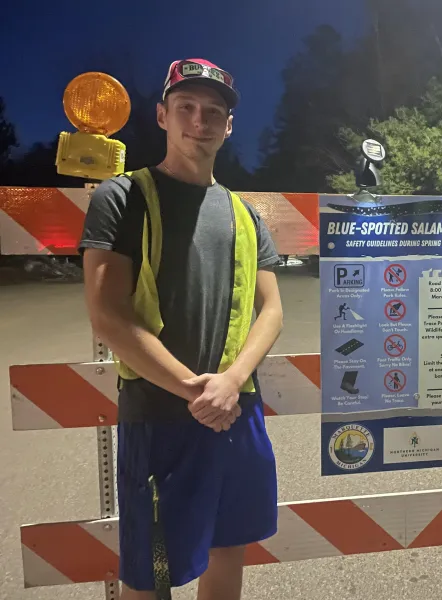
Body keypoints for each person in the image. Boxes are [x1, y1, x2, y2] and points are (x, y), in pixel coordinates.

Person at [79, 58, 284, 600]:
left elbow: (272, 311)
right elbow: (109, 315)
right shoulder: (123, 198)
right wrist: (197, 390)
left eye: (214, 111)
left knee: (228, 549)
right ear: (162, 116)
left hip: (236, 411)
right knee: (151, 572)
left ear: (229, 125)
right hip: (163, 414)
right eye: (187, 107)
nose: (201, 120)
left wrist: (231, 381)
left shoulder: (246, 214)